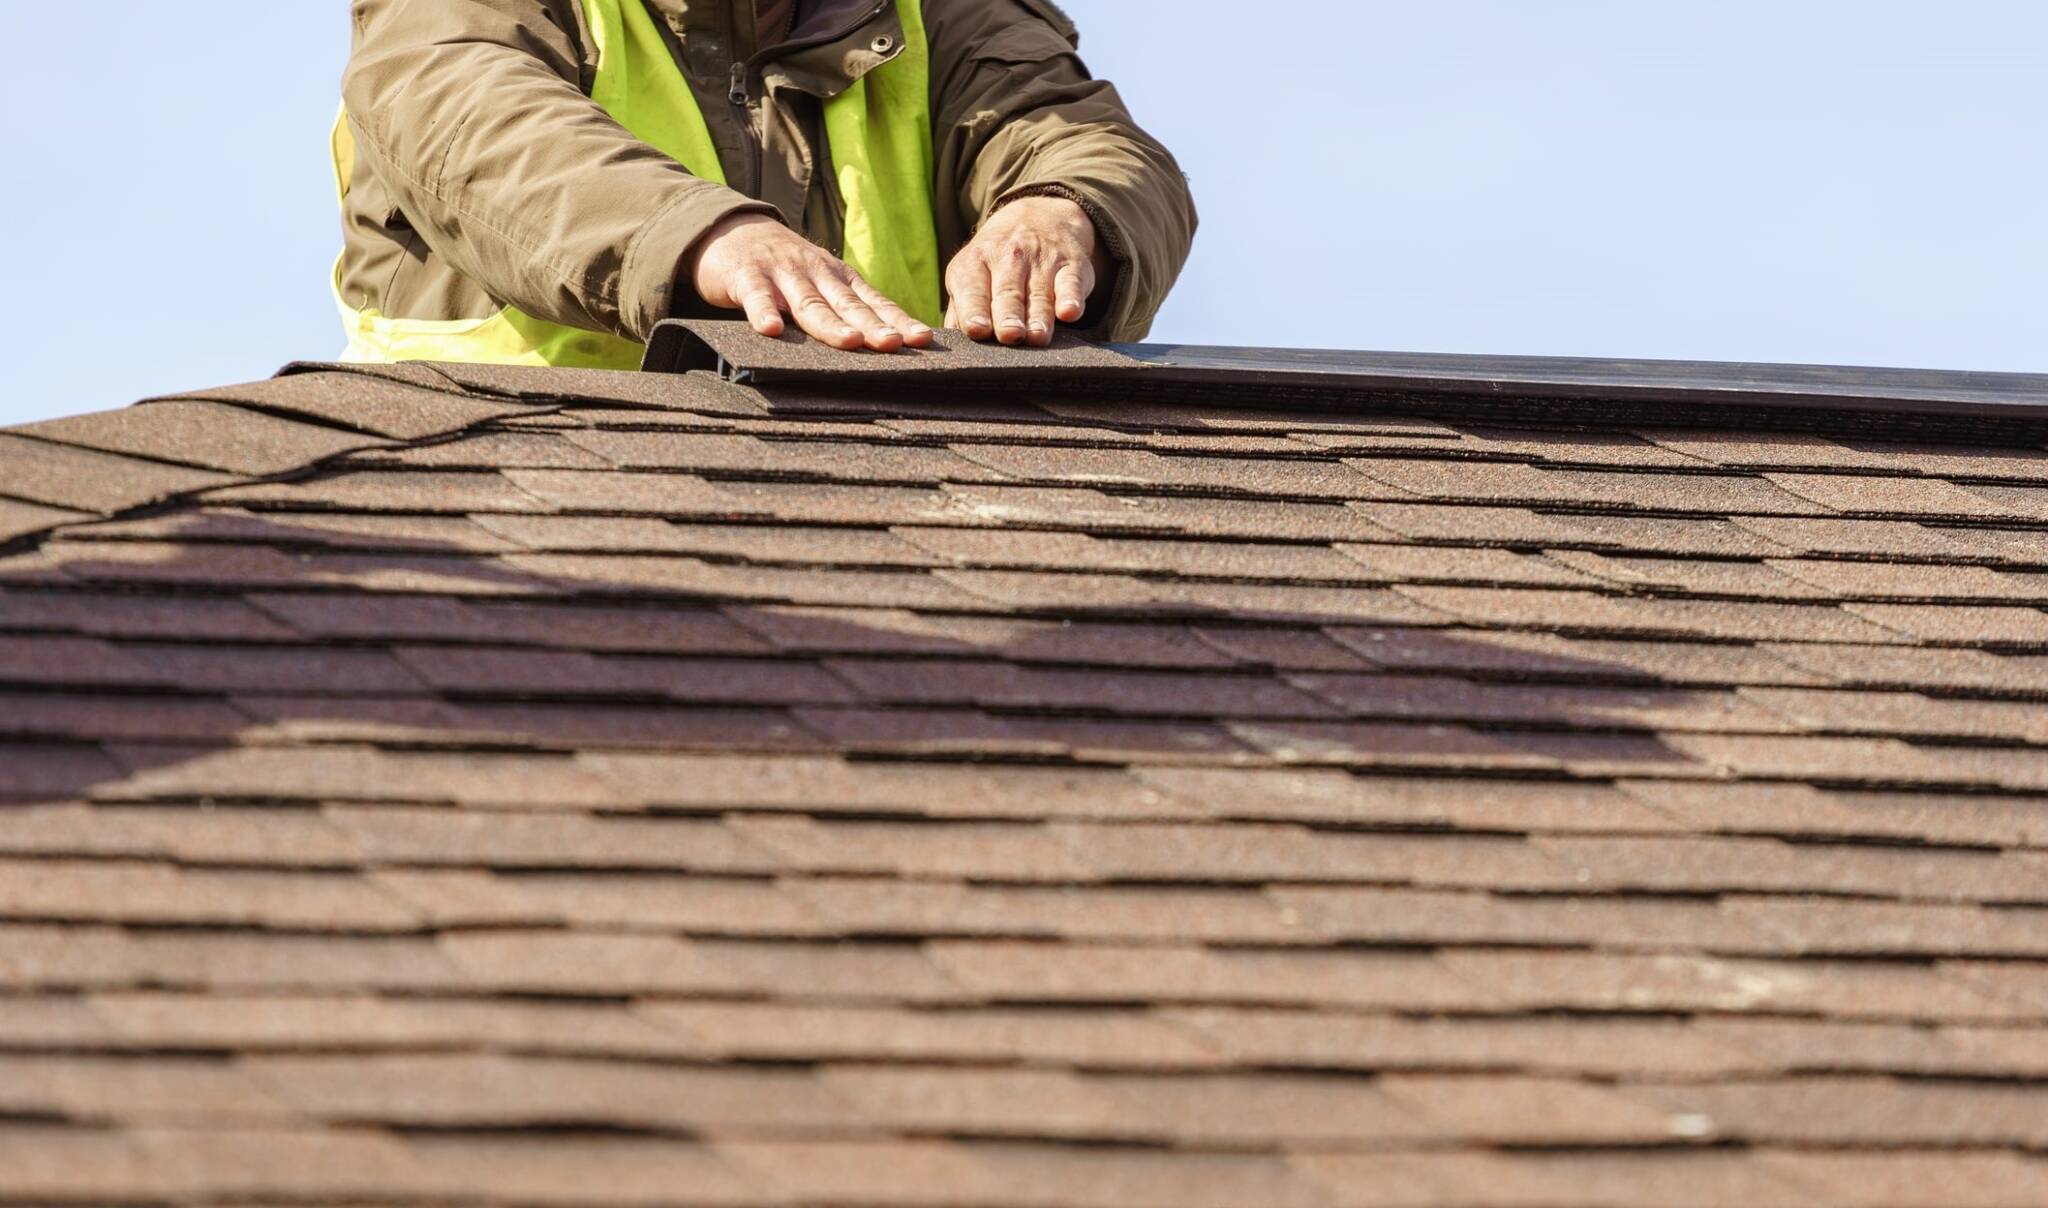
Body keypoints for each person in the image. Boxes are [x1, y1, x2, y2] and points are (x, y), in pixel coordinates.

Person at [333, 0, 1197, 368]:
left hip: (868, 522)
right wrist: (699, 236)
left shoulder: (942, 13)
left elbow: (1069, 132)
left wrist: (1062, 210)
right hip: (511, 512)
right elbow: (467, 114)